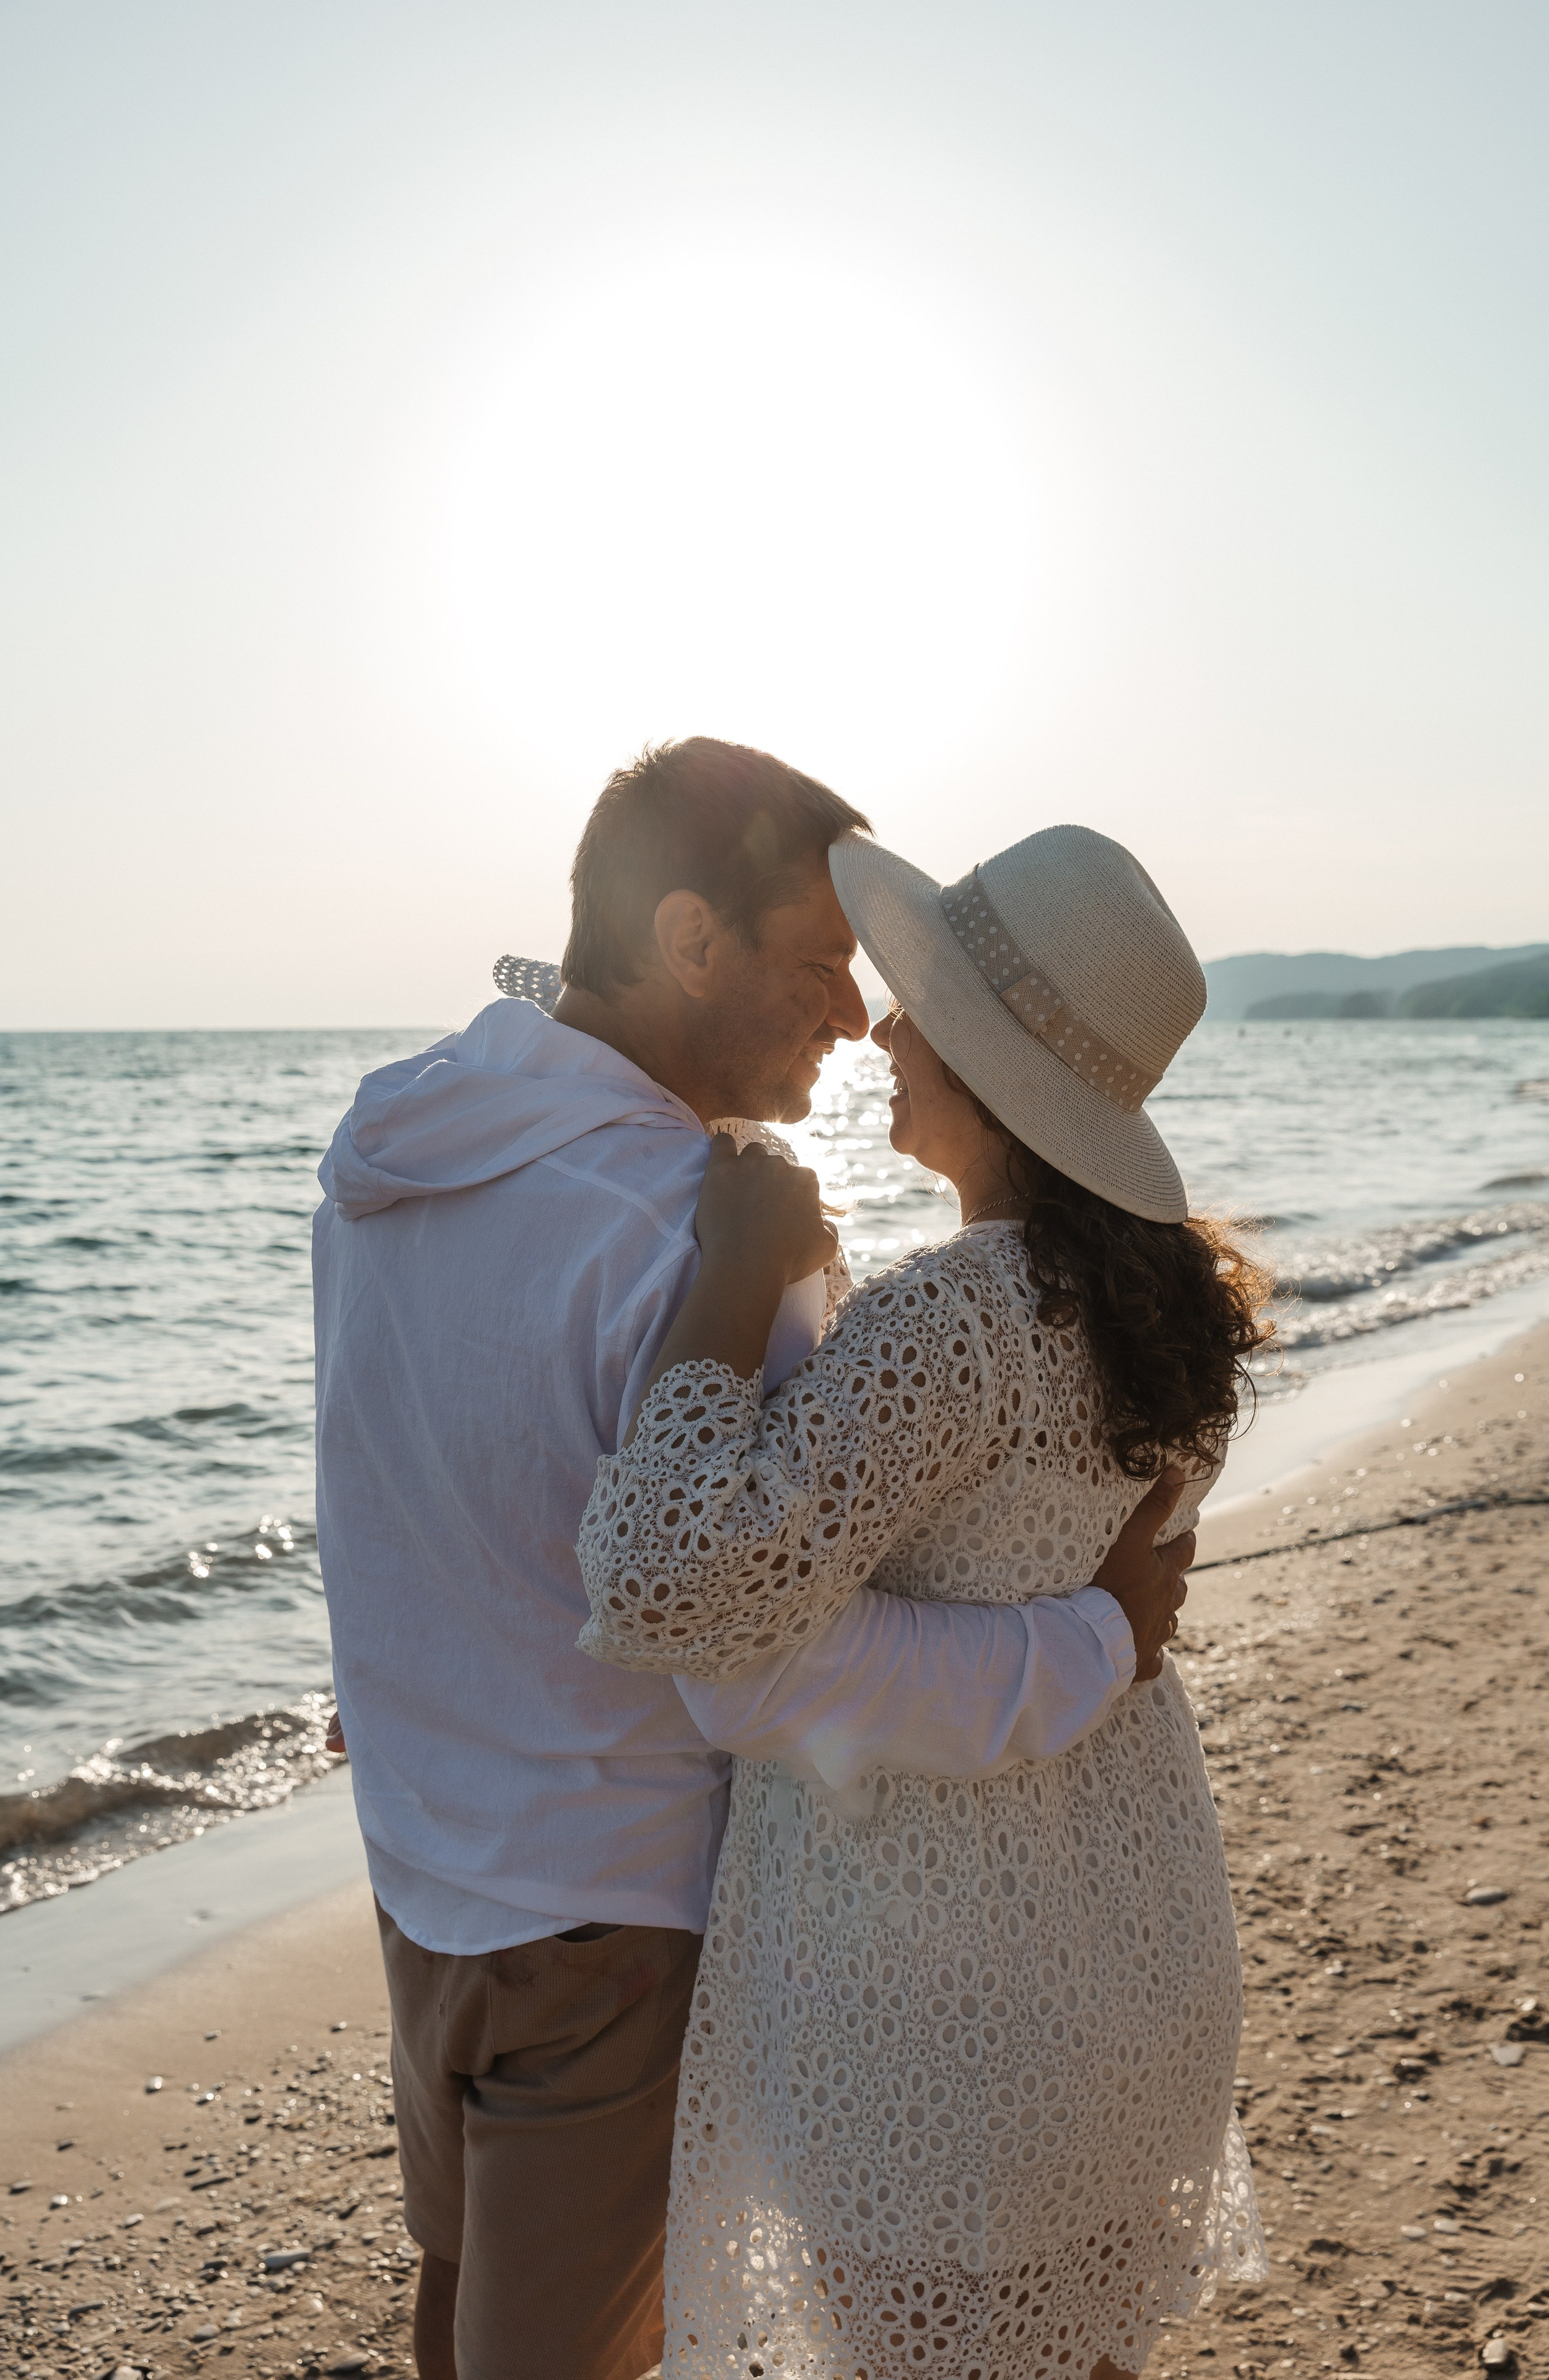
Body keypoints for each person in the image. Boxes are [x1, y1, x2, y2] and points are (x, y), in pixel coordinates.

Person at [313, 742, 1193, 2380]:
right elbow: (779, 1659)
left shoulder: (388, 1145)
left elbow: (390, 1482)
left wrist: (389, 1688)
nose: (857, 1017)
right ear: (689, 939)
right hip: (614, 1921)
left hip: (420, 1875)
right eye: (820, 963)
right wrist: (1094, 1644)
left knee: (453, 2302)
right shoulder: (706, 1233)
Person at [577, 821, 1274, 2380]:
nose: (882, 1029)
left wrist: (732, 1277)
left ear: (993, 1063)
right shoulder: (1174, 1318)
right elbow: (1105, 1598)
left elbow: (668, 1580)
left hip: (927, 1983)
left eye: (921, 1006)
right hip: (1128, 1930)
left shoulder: (957, 1321)